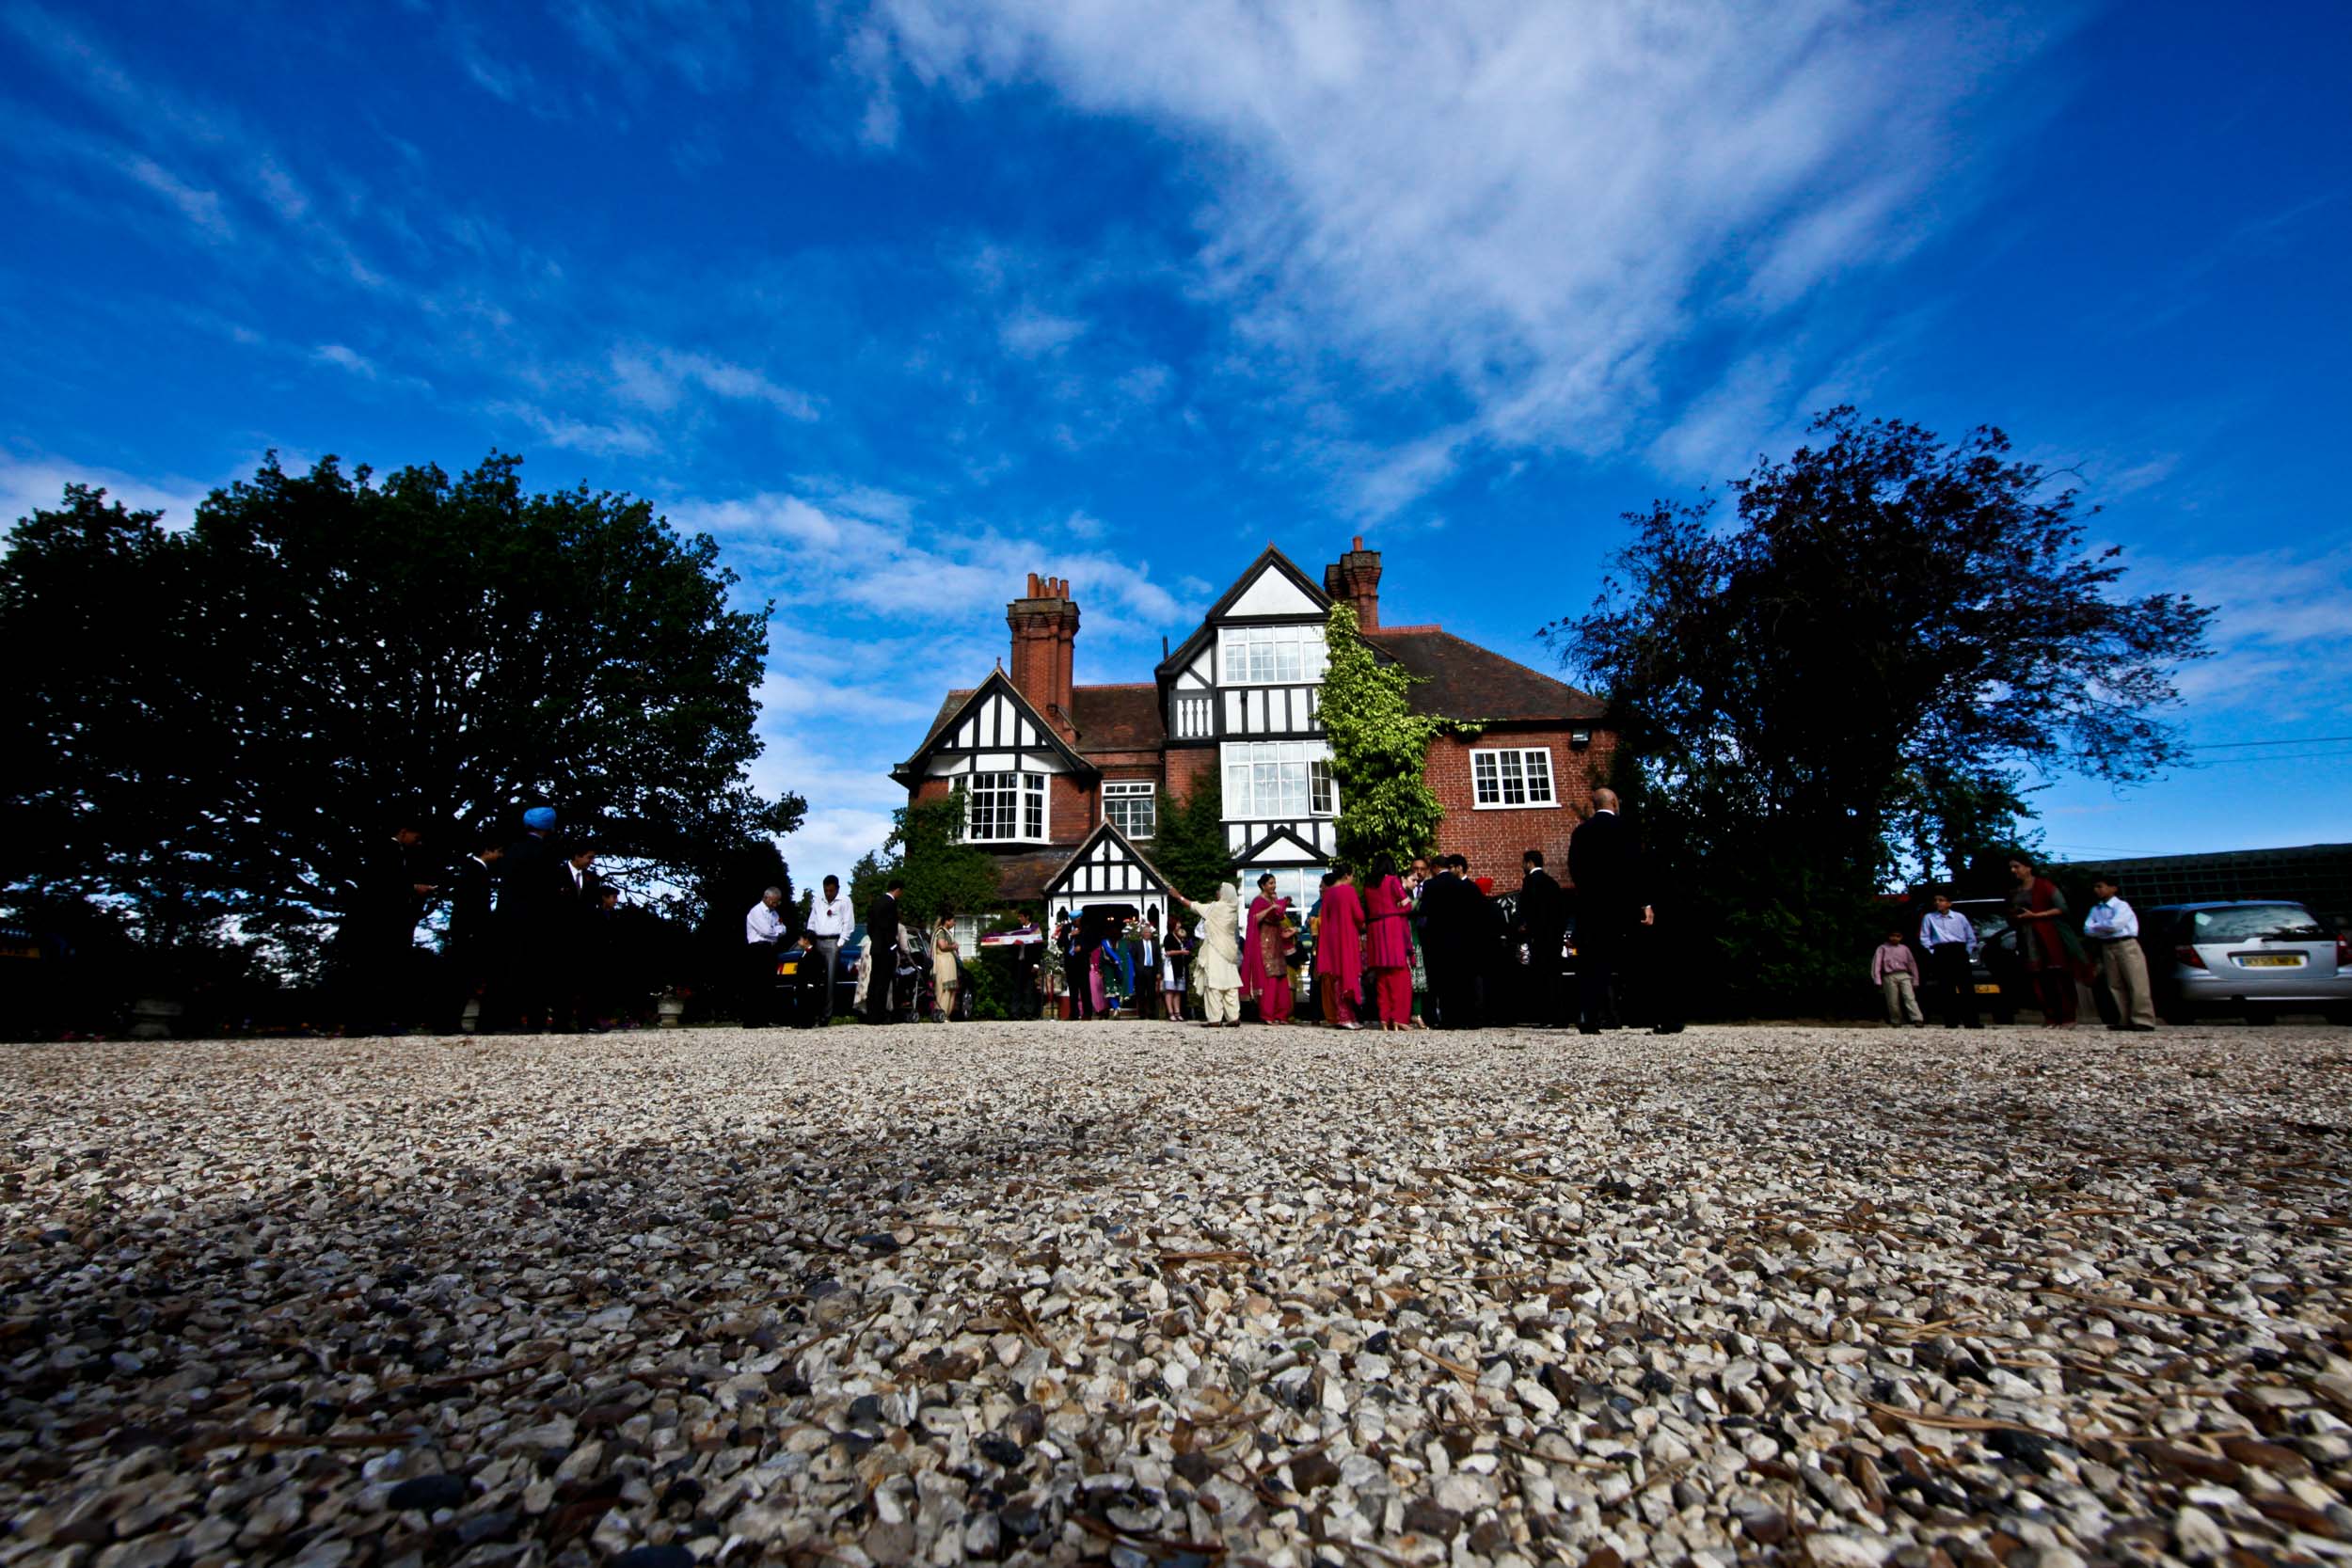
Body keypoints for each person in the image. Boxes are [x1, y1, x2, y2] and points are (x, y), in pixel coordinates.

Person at [344, 810, 437, 1037]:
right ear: (404, 832)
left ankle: (371, 1021)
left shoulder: (392, 851)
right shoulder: (387, 851)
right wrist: (413, 888)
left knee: (377, 971)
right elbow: (381, 883)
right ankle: (369, 1021)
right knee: (376, 970)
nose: (419, 841)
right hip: (379, 921)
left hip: (381, 919)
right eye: (416, 836)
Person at [1568, 790, 1652, 1035]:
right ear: (1614, 803)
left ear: (1594, 806)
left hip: (1593, 906)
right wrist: (1644, 903)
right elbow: (1638, 867)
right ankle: (1642, 1013)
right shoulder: (1627, 828)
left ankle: (1590, 1017)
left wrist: (1588, 894)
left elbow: (1575, 868)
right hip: (1624, 905)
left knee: (1593, 963)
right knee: (1635, 959)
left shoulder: (1582, 832)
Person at [487, 805, 563, 1032]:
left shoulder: (512, 851)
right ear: (548, 827)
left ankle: (501, 1019)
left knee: (508, 968)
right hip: (537, 920)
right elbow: (548, 891)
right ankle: (534, 1020)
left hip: (509, 918)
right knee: (536, 971)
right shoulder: (546, 853)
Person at [2007, 855, 2088, 1027]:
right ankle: (2050, 1015)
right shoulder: (2015, 890)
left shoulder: (2044, 886)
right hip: (2027, 936)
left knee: (2057, 974)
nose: (2014, 871)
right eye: (2012, 868)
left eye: (2017, 866)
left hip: (2047, 934)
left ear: (2028, 867)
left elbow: (2061, 908)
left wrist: (2036, 915)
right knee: (2037, 977)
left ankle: (2068, 1016)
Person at [441, 833, 502, 1034]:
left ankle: (450, 1021)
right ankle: (448, 1022)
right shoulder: (475, 870)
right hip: (469, 931)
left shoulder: (473, 869)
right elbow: (471, 905)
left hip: (469, 929)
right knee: (461, 976)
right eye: (498, 852)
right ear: (487, 850)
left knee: (463, 977)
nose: (500, 856)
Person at [2083, 874, 2157, 1032]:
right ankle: (2124, 1018)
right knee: (2115, 983)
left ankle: (2143, 1019)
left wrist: (2099, 927)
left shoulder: (2121, 906)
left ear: (2113, 888)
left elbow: (2115, 925)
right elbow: (2087, 929)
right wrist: (2103, 928)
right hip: (2107, 946)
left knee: (2136, 982)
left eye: (2100, 886)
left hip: (2126, 944)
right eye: (2096, 887)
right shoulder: (2095, 909)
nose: (2097, 890)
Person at [1416, 855, 1481, 1029]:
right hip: (1460, 939)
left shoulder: (1430, 885)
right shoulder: (1461, 884)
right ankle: (1467, 1019)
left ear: (1436, 867)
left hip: (1438, 940)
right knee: (1460, 980)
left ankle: (1448, 1020)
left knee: (1442, 981)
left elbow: (1424, 910)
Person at [1516, 848, 1570, 1027]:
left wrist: (1526, 927)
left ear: (1529, 863)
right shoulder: (1552, 883)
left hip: (1538, 937)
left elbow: (1528, 909)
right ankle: (1560, 1016)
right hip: (1553, 937)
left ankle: (1546, 1016)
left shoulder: (1530, 882)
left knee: (1541, 977)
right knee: (1555, 976)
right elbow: (1562, 910)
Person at [1363, 855, 1415, 1031]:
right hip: (1392, 928)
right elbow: (1408, 906)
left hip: (1375, 929)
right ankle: (1399, 1017)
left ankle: (1384, 1017)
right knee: (1400, 976)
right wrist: (1396, 909)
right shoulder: (1392, 881)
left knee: (1382, 976)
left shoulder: (1368, 884)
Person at [1181, 883, 1246, 1025]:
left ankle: (1215, 1019)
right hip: (1229, 953)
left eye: (1219, 891)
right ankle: (1233, 1017)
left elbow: (1193, 906)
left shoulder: (1216, 907)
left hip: (1215, 950)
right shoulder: (1232, 909)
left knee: (1214, 985)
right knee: (1231, 985)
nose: (1217, 892)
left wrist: (1177, 896)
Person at [1917, 893, 1982, 1029]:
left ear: (1949, 903)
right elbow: (1924, 936)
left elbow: (1970, 936)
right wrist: (1933, 951)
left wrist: (1967, 951)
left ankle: (1972, 1021)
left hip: (1958, 950)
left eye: (1941, 900)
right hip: (1941, 951)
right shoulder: (1930, 917)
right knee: (1946, 987)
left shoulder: (1959, 917)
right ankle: (1951, 1021)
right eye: (1936, 900)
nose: (1938, 903)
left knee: (1966, 987)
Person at [1316, 866, 1369, 1030]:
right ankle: (1345, 1016)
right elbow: (1359, 915)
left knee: (1338, 975)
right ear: (1347, 875)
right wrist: (1362, 925)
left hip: (1332, 937)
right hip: (1347, 934)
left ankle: (1345, 1015)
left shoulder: (1328, 894)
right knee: (1348, 973)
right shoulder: (1349, 891)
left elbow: (1325, 917)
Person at [804, 874, 854, 1025]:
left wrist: (840, 943)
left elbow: (848, 923)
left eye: (831, 891)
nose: (828, 894)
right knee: (814, 979)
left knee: (830, 980)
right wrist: (810, 937)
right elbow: (812, 920)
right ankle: (812, 1012)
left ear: (837, 889)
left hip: (833, 942)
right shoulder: (818, 900)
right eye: (826, 890)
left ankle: (826, 1015)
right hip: (817, 941)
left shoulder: (844, 901)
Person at [1242, 875, 1290, 1022]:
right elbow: (1254, 919)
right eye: (1270, 883)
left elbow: (1277, 919)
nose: (1273, 886)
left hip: (1276, 942)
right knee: (1269, 978)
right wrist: (1271, 908)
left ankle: (1281, 1014)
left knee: (1280, 976)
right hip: (1264, 944)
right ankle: (1267, 1014)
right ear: (1263, 886)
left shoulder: (1273, 900)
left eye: (1274, 883)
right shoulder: (1258, 901)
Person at [743, 886, 787, 1028]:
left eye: (777, 902)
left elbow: (783, 928)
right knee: (756, 983)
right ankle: (751, 1020)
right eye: (774, 902)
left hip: (770, 949)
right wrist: (777, 930)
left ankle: (763, 1018)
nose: (776, 905)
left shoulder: (774, 913)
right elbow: (766, 931)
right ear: (767, 898)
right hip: (757, 949)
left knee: (768, 984)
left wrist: (777, 930)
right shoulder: (756, 912)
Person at [864, 878, 904, 1023]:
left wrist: (875, 940)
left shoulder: (876, 903)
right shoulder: (891, 904)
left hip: (876, 947)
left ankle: (871, 1014)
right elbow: (889, 928)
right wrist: (893, 946)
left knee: (873, 981)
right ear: (898, 890)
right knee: (883, 982)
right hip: (887, 949)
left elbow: (870, 926)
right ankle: (879, 1015)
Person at [1872, 929, 1925, 1026]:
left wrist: (1915, 979)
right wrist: (1877, 979)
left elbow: (1912, 964)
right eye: (1892, 935)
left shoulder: (1905, 949)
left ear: (1901, 937)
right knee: (1892, 999)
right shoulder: (1882, 948)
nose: (1895, 938)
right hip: (1889, 975)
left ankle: (1917, 1018)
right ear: (1889, 936)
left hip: (1904, 974)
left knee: (1909, 997)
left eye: (1898, 936)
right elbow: (1877, 964)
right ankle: (1896, 1020)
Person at [1261, 911, 1299, 1022]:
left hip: (1282, 958)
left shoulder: (1280, 920)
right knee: (1275, 985)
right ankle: (1273, 1015)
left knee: (1286, 986)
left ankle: (1283, 1015)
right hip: (1271, 957)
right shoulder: (1267, 919)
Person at [1130, 911, 1162, 1021]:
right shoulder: (1137, 944)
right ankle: (1142, 1013)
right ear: (1142, 934)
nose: (1148, 934)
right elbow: (1132, 957)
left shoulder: (1155, 944)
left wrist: (1158, 972)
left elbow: (1158, 959)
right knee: (1140, 992)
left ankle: (1152, 1012)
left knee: (1151, 993)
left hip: (1151, 970)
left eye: (1149, 932)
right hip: (1140, 971)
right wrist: (1137, 968)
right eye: (1146, 932)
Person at [1161, 910, 1193, 1021]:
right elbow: (1168, 952)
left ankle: (1177, 1012)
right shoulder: (1168, 937)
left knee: (1178, 991)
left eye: (1179, 923)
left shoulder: (1180, 937)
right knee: (1170, 990)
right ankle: (1170, 1012)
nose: (1179, 925)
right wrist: (1181, 952)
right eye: (1177, 923)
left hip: (1180, 965)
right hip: (1171, 966)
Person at [932, 915, 961, 1021]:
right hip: (944, 963)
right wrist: (953, 946)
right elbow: (942, 946)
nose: (954, 923)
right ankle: (941, 1013)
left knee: (952, 989)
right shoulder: (941, 932)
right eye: (953, 921)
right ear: (947, 921)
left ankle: (947, 1015)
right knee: (944, 989)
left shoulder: (947, 932)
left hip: (949, 963)